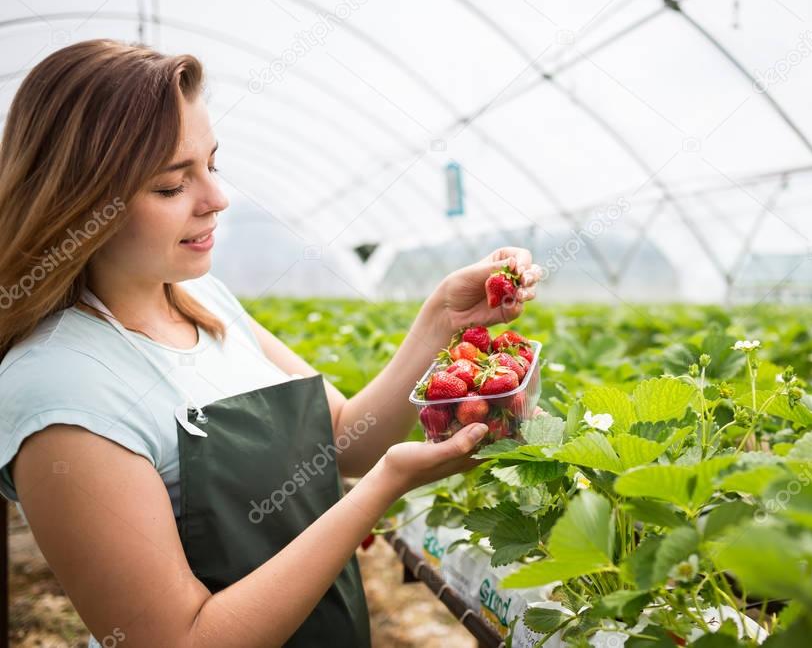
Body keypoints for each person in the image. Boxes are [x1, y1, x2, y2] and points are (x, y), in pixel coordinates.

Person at [0, 39, 540, 647]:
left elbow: (341, 437)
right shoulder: (59, 392)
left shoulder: (203, 302)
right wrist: (384, 488)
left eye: (212, 164)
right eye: (172, 186)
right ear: (78, 202)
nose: (217, 199)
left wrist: (441, 317)